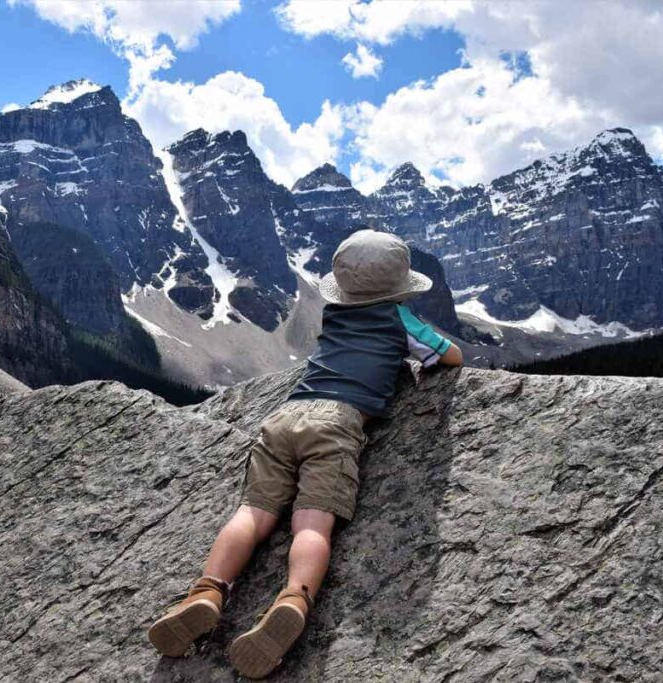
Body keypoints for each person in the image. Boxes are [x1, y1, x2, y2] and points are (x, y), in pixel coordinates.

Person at [147, 229, 463, 678]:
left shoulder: (335, 314)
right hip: (335, 424)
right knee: (312, 522)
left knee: (252, 513)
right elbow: (449, 356)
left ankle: (206, 592)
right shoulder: (399, 318)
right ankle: (294, 598)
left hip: (284, 417)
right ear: (399, 289)